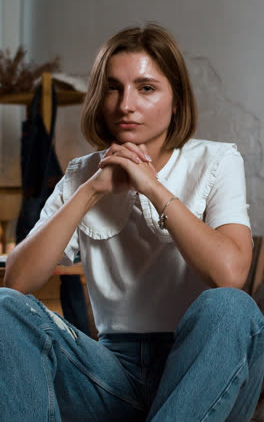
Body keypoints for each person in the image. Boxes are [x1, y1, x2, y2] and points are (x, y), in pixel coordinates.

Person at [1, 23, 264, 422]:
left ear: (175, 100)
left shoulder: (217, 160)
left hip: (207, 366)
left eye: (146, 88)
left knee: (231, 307)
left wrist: (152, 188)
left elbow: (230, 274)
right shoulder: (82, 174)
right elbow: (16, 283)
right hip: (112, 375)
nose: (126, 105)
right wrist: (91, 190)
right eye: (113, 87)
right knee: (4, 309)